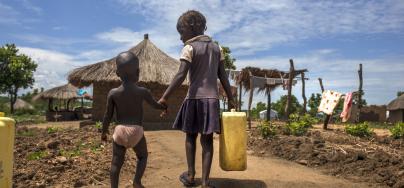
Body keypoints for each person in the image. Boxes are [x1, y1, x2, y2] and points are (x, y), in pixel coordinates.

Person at [158, 10, 235, 188]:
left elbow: (180, 76)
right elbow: (223, 77)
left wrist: (164, 97)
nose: (180, 37)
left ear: (193, 27)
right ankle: (206, 182)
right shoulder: (217, 48)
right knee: (207, 141)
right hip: (212, 101)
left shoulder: (189, 48)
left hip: (193, 99)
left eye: (181, 32)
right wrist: (230, 98)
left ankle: (191, 176)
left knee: (190, 137)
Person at [101, 51, 167, 188]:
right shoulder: (143, 92)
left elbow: (107, 115)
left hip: (119, 131)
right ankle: (137, 181)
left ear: (117, 73)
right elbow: (155, 105)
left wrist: (104, 132)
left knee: (115, 163)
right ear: (138, 72)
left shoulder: (113, 93)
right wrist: (164, 107)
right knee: (142, 157)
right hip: (136, 131)